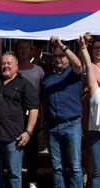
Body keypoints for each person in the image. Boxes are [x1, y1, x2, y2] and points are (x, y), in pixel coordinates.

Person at [0, 34, 39, 188]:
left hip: (14, 138)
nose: (6, 66)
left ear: (16, 66)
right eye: (3, 63)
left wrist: (28, 132)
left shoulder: (24, 84)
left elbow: (34, 109)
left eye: (9, 63)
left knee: (14, 175)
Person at [41, 36, 83, 188]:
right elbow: (43, 103)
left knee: (75, 167)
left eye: (61, 56)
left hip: (71, 124)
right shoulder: (46, 78)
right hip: (52, 126)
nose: (58, 58)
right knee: (57, 167)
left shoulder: (73, 73)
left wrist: (62, 46)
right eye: (56, 56)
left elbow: (78, 64)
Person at [79, 34, 100, 187]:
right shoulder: (88, 66)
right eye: (96, 48)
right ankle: (89, 175)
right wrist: (84, 43)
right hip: (89, 108)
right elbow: (82, 57)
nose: (99, 51)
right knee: (89, 147)